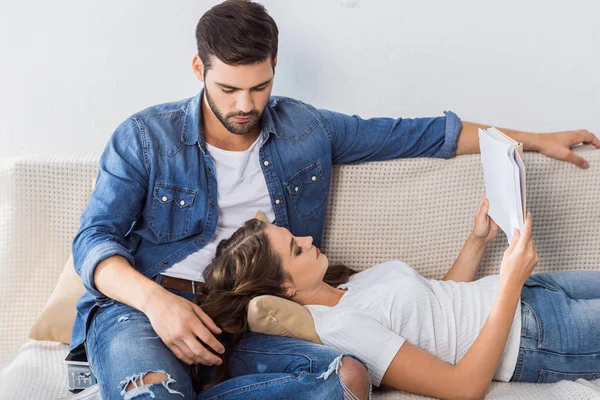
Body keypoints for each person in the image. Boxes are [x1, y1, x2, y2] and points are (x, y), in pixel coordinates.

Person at [70, 0, 600, 398]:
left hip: (257, 317)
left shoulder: (304, 128)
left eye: (259, 87)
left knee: (344, 378)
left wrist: (535, 139)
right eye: (228, 89)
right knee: (154, 392)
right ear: (198, 69)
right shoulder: (145, 138)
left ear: (274, 66)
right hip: (145, 304)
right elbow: (93, 240)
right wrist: (157, 303)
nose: (245, 105)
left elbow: (418, 134)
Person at [199, 196, 600, 400]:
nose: (307, 240)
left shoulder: (345, 289)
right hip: (535, 339)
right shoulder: (341, 329)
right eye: (296, 249)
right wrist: (509, 285)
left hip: (532, 293)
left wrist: (477, 241)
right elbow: (464, 388)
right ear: (285, 289)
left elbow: (436, 305)